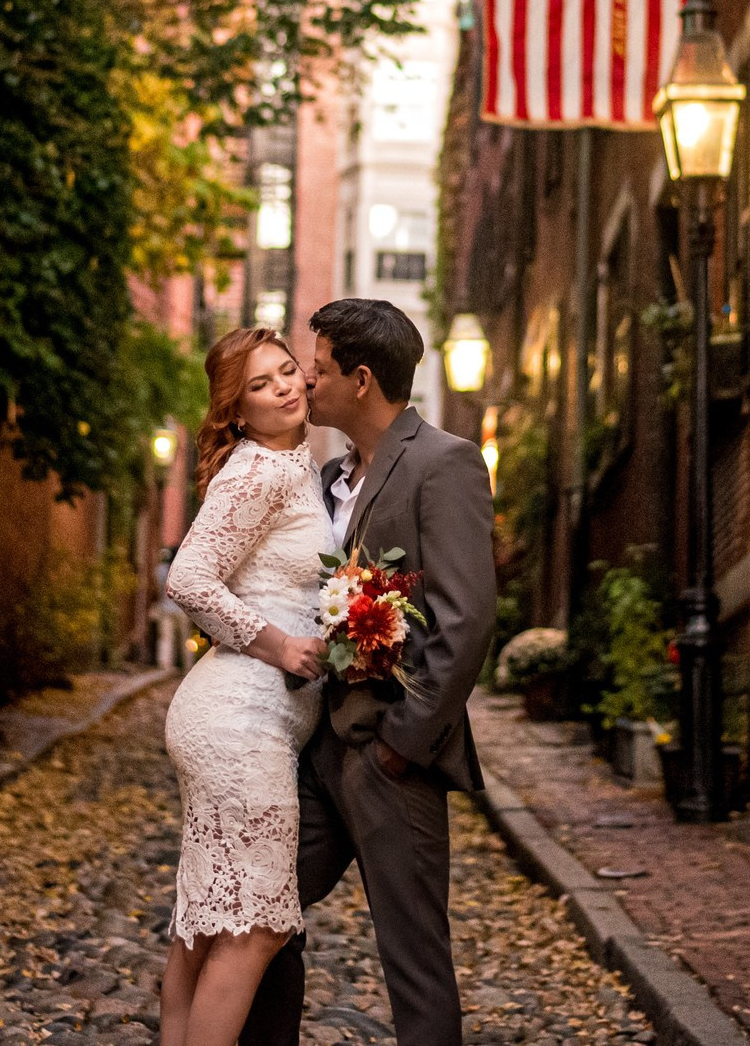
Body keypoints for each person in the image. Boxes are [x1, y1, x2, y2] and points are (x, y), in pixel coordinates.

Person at [239, 299, 497, 1046]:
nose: (304, 385)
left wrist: (403, 744)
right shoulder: (326, 477)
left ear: (361, 379)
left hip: (393, 758)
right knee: (263, 909)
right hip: (321, 753)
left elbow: (466, 619)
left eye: (315, 371)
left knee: (414, 959)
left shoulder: (444, 464)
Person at [160, 329, 329, 1046]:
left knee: (206, 924)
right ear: (236, 410)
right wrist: (280, 644)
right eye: (260, 385)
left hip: (235, 718)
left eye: (288, 370)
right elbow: (189, 579)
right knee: (254, 926)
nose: (285, 387)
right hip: (240, 721)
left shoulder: (295, 465)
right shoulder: (261, 471)